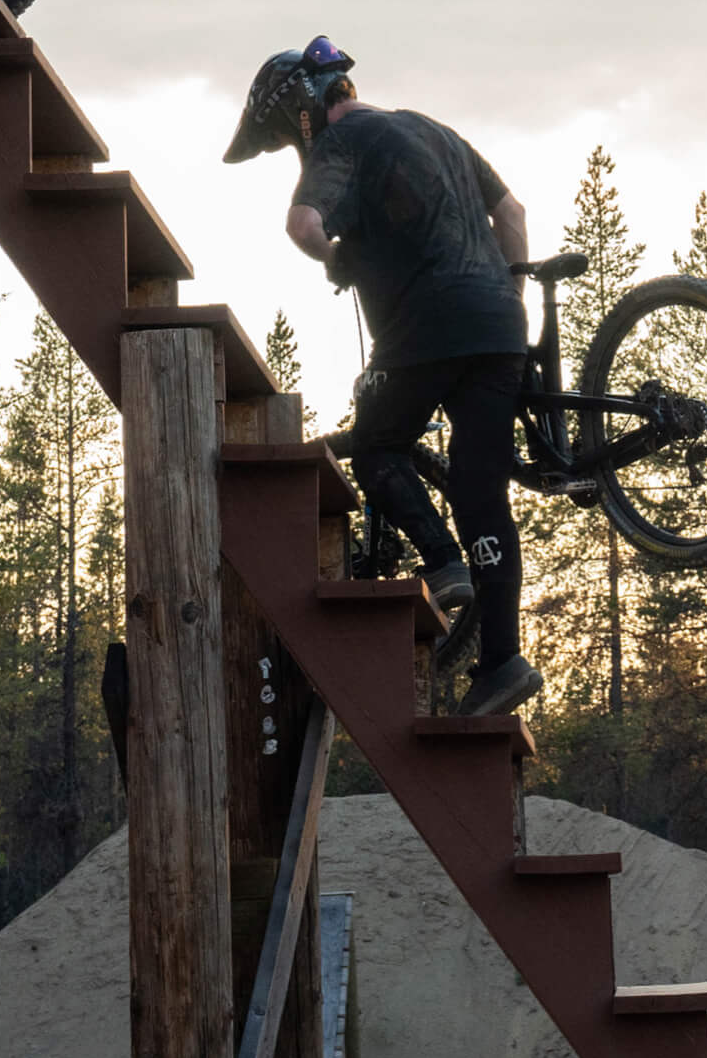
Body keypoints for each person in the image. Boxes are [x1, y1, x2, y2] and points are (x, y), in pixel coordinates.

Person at [225, 36, 542, 720]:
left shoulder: (344, 140)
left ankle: (442, 561)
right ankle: (502, 661)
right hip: (497, 329)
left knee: (375, 447)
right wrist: (508, 295)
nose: (292, 149)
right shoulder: (432, 127)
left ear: (300, 115)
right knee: (480, 490)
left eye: (284, 138)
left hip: (425, 331)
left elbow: (303, 223)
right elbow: (512, 215)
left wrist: (334, 255)